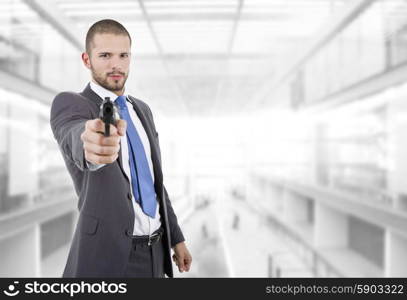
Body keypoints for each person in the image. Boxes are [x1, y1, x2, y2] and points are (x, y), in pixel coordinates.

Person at [50, 19, 192, 277]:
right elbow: (75, 135)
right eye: (105, 55)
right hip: (111, 259)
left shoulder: (143, 110)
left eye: (123, 55)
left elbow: (153, 182)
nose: (116, 64)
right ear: (86, 60)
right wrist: (91, 145)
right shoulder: (73, 105)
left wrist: (176, 238)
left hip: (157, 254)